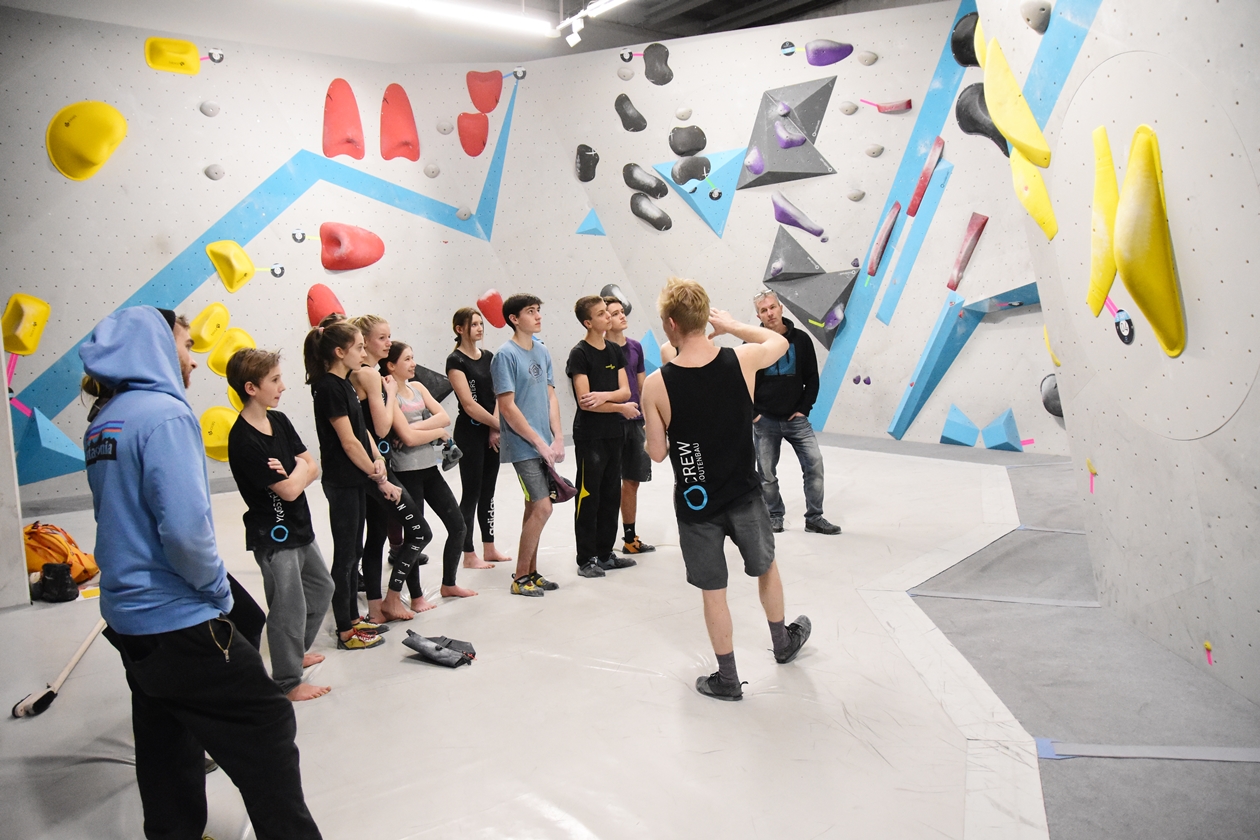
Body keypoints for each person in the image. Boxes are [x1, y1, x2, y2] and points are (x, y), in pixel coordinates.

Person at [79, 306, 322, 838]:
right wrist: (217, 592)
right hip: (175, 615)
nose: (191, 359)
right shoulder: (163, 415)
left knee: (166, 737)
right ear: (157, 348)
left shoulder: (106, 419)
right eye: (186, 346)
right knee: (267, 724)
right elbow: (186, 534)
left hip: (128, 616)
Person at [641, 279, 811, 701]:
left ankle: (728, 677)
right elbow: (778, 340)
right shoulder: (743, 360)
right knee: (766, 568)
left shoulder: (656, 384)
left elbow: (658, 453)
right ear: (705, 318)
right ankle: (782, 642)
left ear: (672, 322)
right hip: (744, 494)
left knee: (713, 591)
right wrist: (733, 326)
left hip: (697, 502)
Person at [305, 320, 426, 646]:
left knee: (355, 551)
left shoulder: (345, 383)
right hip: (342, 481)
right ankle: (345, 630)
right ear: (340, 352)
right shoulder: (329, 387)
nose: (364, 351)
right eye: (359, 347)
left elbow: (365, 435)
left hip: (358, 478)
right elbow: (348, 442)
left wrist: (378, 465)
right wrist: (378, 477)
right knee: (346, 556)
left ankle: (356, 619)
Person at [226, 348, 334, 702]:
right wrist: (298, 474)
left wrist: (296, 471)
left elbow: (310, 465)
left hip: (300, 527)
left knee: (322, 588)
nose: (283, 386)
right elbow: (287, 490)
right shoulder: (243, 439)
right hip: (274, 536)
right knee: (288, 606)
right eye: (274, 380)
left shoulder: (281, 421)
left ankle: (294, 651)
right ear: (251, 388)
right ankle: (287, 681)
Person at [348, 314, 431, 620]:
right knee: (420, 532)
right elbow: (381, 428)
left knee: (376, 537)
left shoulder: (360, 373)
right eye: (382, 338)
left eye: (389, 336)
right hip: (378, 469)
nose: (388, 343)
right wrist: (392, 391)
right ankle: (392, 598)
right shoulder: (369, 375)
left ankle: (375, 607)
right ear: (365, 341)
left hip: (376, 463)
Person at [381, 340, 478, 600]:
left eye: (413, 357)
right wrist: (435, 432)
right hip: (406, 472)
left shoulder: (419, 387)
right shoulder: (388, 395)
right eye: (407, 360)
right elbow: (408, 438)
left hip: (429, 470)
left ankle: (449, 583)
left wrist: (417, 430)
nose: (413, 364)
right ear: (391, 366)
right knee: (417, 535)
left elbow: (443, 418)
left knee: (458, 526)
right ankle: (416, 596)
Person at [750, 290, 841, 535]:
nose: (769, 313)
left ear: (781, 308)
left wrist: (803, 409)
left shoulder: (801, 340)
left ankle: (814, 517)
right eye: (763, 310)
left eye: (772, 307)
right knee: (766, 474)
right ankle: (774, 516)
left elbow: (812, 379)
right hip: (765, 420)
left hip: (796, 419)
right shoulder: (752, 344)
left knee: (815, 464)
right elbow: (741, 382)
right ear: (758, 315)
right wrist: (754, 415)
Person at [491, 293, 565, 597]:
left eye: (538, 310)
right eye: (531, 312)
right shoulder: (504, 356)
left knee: (533, 506)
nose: (537, 316)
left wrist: (557, 437)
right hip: (522, 446)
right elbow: (507, 407)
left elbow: (550, 396)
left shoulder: (542, 352)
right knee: (544, 507)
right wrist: (538, 441)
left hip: (543, 444)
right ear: (513, 319)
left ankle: (532, 573)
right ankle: (520, 576)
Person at [565, 295, 639, 578]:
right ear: (588, 322)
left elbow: (626, 391)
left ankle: (606, 553)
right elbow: (586, 402)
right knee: (588, 496)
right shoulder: (579, 354)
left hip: (613, 432)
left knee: (610, 494)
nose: (607, 317)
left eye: (607, 313)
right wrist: (619, 406)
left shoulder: (613, 350)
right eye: (601, 314)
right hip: (590, 436)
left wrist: (609, 399)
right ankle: (586, 558)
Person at [445, 308, 513, 568]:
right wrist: (500, 426)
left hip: (491, 431)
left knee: (489, 492)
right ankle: (468, 554)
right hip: (470, 433)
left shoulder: (489, 357)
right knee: (471, 493)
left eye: (480, 323)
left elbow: (498, 394)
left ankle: (489, 547)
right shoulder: (455, 361)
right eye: (473, 324)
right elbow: (470, 404)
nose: (479, 328)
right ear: (459, 329)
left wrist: (496, 429)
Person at [603, 295, 655, 555]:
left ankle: (630, 539)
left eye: (622, 311)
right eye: (614, 313)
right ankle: (603, 544)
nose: (622, 316)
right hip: (610, 423)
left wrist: (648, 420)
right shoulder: (599, 350)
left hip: (636, 423)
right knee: (609, 484)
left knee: (632, 481)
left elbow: (644, 386)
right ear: (604, 319)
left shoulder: (635, 347)